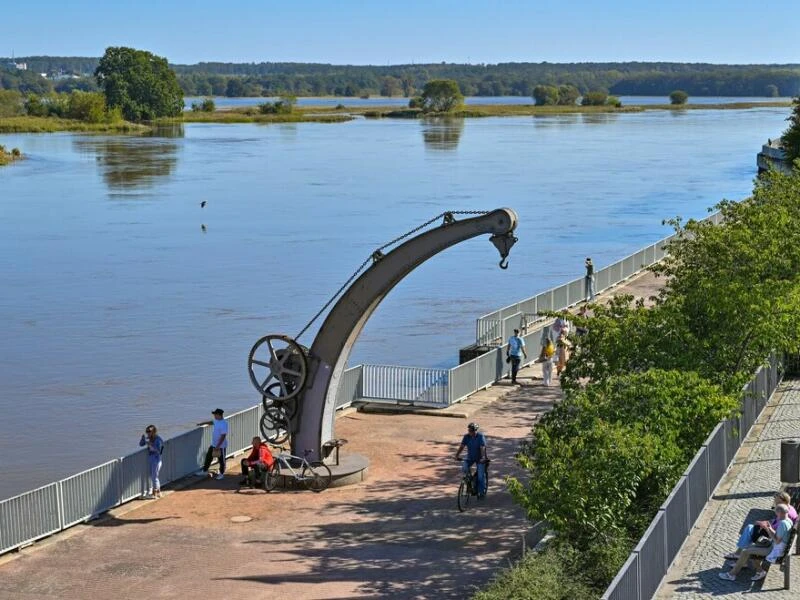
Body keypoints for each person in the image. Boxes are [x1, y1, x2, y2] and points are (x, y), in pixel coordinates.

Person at [719, 503, 794, 581]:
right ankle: (758, 571)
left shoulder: (782, 524)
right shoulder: (788, 520)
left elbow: (777, 541)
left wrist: (768, 530)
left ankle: (731, 575)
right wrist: (769, 527)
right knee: (749, 547)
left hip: (774, 549)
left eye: (776, 512)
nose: (776, 515)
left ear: (779, 512)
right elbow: (778, 536)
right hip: (775, 546)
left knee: (745, 551)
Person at [723, 492, 798, 561]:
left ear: (783, 501)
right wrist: (766, 522)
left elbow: (779, 530)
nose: (775, 503)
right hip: (774, 532)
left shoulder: (786, 514)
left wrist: (766, 527)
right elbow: (776, 521)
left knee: (750, 529)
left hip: (774, 536)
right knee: (751, 528)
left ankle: (739, 555)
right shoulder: (786, 509)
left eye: (777, 501)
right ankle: (739, 555)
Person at [455, 422, 487, 498]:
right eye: (469, 430)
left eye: (472, 431)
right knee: (464, 469)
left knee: (480, 477)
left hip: (480, 459)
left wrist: (483, 457)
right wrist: (457, 455)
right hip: (470, 457)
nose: (470, 432)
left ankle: (481, 492)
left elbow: (482, 448)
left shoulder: (480, 436)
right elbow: (462, 446)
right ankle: (470, 483)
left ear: (476, 430)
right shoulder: (466, 437)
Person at [195, 408, 228, 480]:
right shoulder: (216, 420)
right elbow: (211, 422)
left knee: (222, 460)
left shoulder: (224, 424)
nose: (214, 416)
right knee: (208, 457)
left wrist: (218, 446)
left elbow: (223, 436)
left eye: (215, 414)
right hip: (214, 444)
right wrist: (202, 423)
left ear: (219, 415)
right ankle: (205, 470)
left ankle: (221, 474)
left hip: (221, 446)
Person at [139, 425, 164, 499]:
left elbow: (160, 451)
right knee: (154, 476)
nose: (148, 434)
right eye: (147, 432)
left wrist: (151, 446)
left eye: (149, 432)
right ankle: (158, 492)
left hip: (157, 459)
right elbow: (141, 444)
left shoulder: (158, 440)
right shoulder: (150, 438)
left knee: (154, 477)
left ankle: (155, 493)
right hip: (151, 459)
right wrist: (143, 439)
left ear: (154, 432)